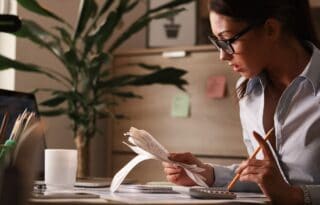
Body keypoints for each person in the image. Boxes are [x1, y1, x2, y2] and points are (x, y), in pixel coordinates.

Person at [162, 0, 320, 204]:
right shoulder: (247, 91)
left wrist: (295, 196)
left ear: (270, 29)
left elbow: (285, 190)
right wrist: (206, 174)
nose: (222, 55)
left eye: (227, 40)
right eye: (217, 42)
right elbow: (264, 178)